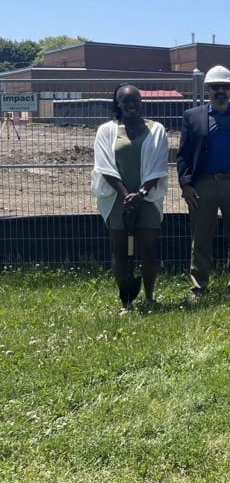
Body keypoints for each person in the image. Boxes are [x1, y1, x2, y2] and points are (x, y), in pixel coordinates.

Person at [177, 65, 230, 302]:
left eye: (225, 86)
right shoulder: (192, 116)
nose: (220, 91)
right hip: (202, 185)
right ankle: (198, 287)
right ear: (207, 89)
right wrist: (186, 184)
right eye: (215, 87)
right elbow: (183, 154)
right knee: (201, 237)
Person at [91, 84, 169, 314]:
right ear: (118, 104)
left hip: (148, 198)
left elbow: (158, 166)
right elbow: (103, 165)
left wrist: (141, 194)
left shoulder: (157, 130)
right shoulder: (106, 131)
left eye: (135, 100)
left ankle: (149, 297)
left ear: (141, 102)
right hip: (116, 198)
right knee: (120, 250)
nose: (131, 105)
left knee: (148, 248)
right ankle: (126, 301)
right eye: (126, 101)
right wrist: (127, 196)